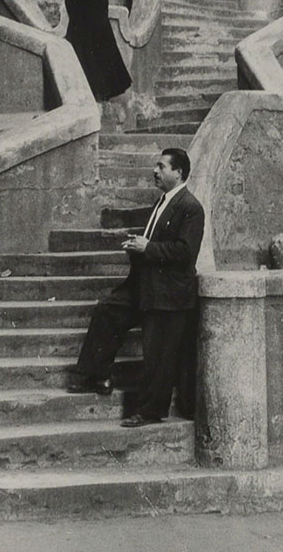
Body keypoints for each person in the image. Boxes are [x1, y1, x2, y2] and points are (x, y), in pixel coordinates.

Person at [67, 148, 205, 427]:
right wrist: (138, 246)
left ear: (178, 173)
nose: (155, 171)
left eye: (162, 166)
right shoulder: (163, 202)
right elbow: (158, 243)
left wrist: (148, 247)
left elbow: (185, 252)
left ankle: (150, 411)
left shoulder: (191, 207)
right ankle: (96, 375)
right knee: (107, 312)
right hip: (144, 284)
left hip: (169, 294)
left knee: (158, 353)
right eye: (156, 166)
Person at [64, 0, 132, 101]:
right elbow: (85, 1)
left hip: (100, 38)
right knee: (91, 82)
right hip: (85, 40)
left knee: (105, 83)